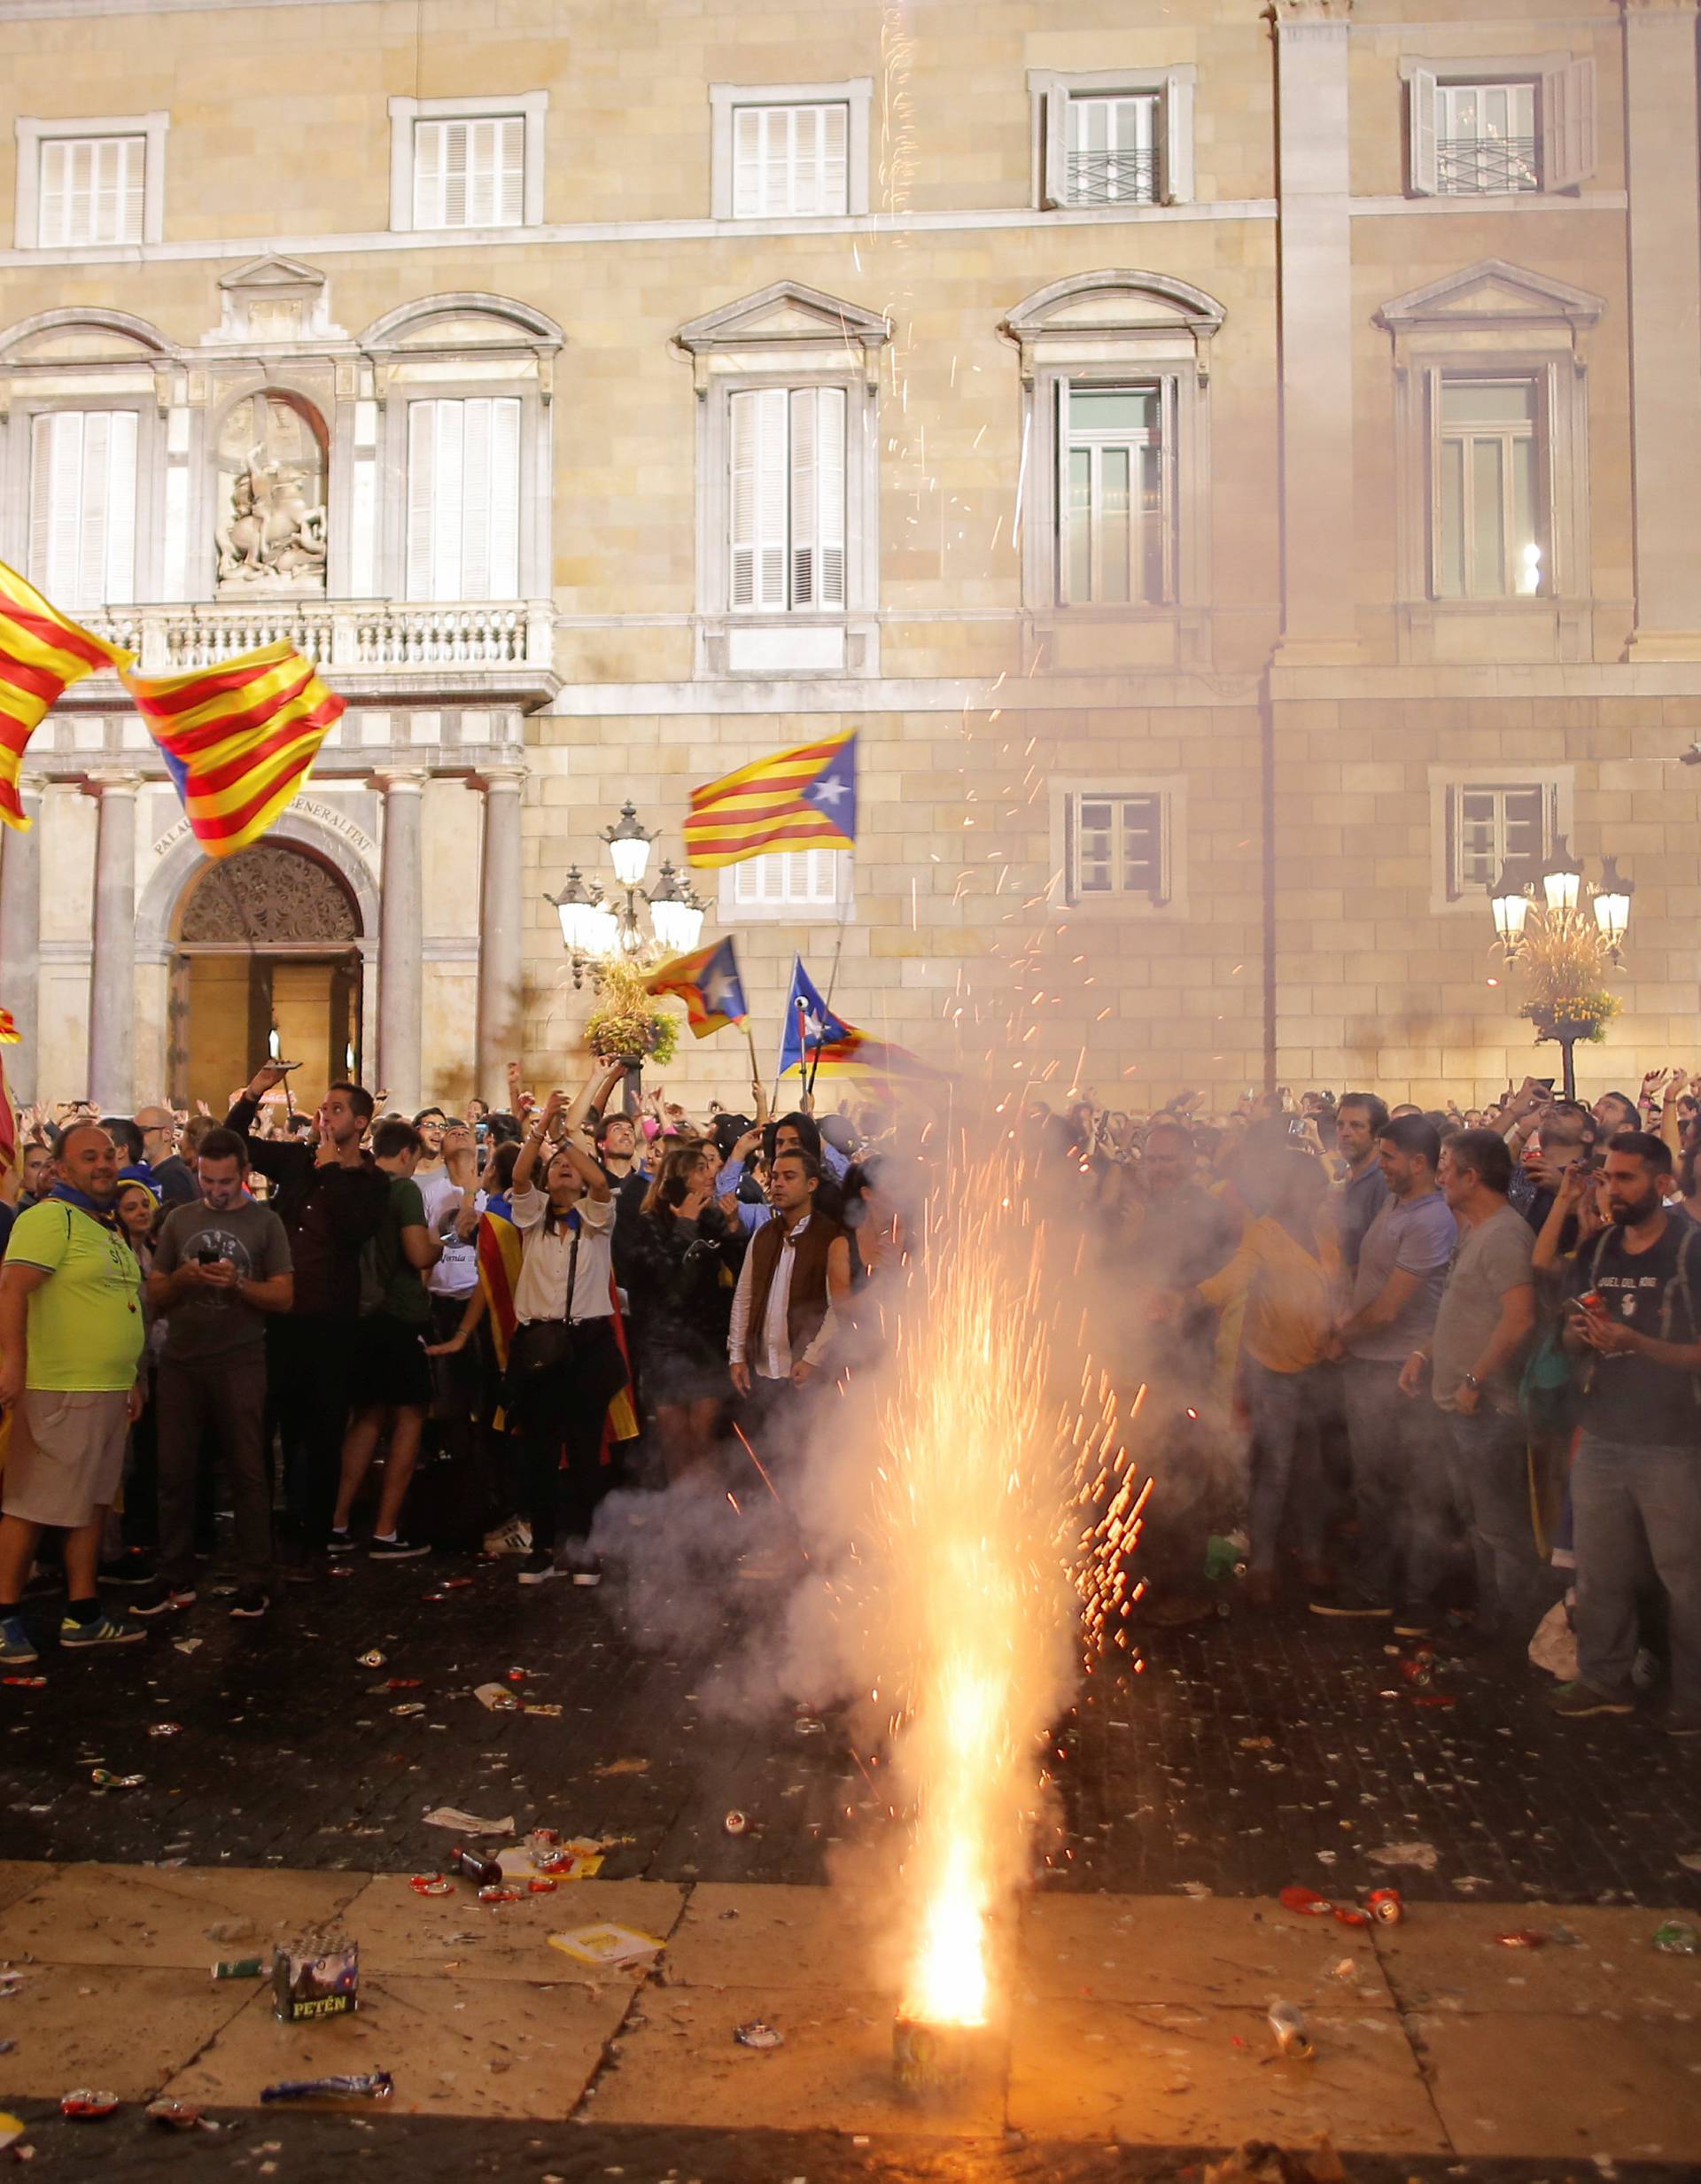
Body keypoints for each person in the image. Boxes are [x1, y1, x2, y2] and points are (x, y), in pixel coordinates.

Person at [1553, 1131, 1701, 1731]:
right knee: (1602, 1566)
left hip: (1674, 1440)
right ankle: (1602, 1677)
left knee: (1684, 1575)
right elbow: (1568, 1324)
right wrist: (1580, 1335)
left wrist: (1639, 1343)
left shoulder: (1691, 1252)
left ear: (1662, 1183)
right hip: (1605, 1432)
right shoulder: (1600, 1248)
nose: (1612, 1189)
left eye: (1626, 1178)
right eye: (1608, 1177)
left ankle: (1693, 1697)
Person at [225, 1062, 389, 1573]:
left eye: (337, 1109)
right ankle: (261, 1535)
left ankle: (314, 1537)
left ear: (361, 1123)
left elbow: (352, 1229)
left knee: (321, 1435)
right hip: (280, 1319)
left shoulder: (370, 1182)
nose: (325, 1115)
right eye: (323, 1108)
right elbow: (234, 1146)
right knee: (268, 1428)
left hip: (330, 1324)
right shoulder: (296, 1161)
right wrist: (254, 1093)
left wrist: (332, 1169)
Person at [0, 1122, 148, 1661]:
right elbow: (13, 1290)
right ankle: (4, 1615)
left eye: (108, 1155)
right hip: (57, 1387)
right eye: (89, 1157)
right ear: (61, 1170)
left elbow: (118, 1305)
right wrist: (14, 1364)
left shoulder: (104, 1225)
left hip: (107, 1390)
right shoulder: (48, 1218)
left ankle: (82, 1613)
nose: (104, 1164)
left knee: (91, 1503)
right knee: (30, 1505)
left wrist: (131, 1377)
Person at [137, 1128, 293, 1620]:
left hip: (240, 1361)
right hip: (183, 1362)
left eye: (226, 1181)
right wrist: (183, 1279)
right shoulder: (181, 1219)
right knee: (175, 1472)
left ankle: (255, 1576)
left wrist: (240, 1284)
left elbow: (285, 1297)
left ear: (244, 1175)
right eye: (208, 1179)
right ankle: (175, 1574)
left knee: (249, 1471)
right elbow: (155, 1293)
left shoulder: (266, 1223)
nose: (216, 1190)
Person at [1314, 1114, 1457, 1635]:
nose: (1383, 1164)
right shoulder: (1396, 1205)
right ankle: (1377, 1587)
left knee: (1419, 1489)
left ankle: (1418, 1598)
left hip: (1402, 1372)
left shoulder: (1431, 1220)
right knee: (1375, 1486)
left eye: (1390, 1156)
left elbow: (1390, 1309)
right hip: (1371, 1368)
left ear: (1419, 1163)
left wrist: (1341, 1338)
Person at [1401, 1129, 1544, 1644]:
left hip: (1487, 1409)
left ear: (1471, 1177)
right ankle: (1491, 1618)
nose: (1437, 1175)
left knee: (1499, 1528)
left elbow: (1519, 1318)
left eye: (1445, 1166)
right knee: (1477, 1522)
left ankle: (1512, 1630)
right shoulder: (1474, 1230)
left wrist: (1473, 1379)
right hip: (1462, 1406)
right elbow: (1462, 1312)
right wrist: (1425, 1353)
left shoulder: (1505, 1235)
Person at [1189, 1146, 1340, 1602]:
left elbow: (1338, 1286)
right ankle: (1263, 1564)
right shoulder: (1264, 1233)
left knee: (1313, 1467)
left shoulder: (1325, 1229)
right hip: (1271, 1367)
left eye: (1320, 1186)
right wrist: (1186, 1298)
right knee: (1274, 1466)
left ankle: (1310, 1553)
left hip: (1317, 1364)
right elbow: (1230, 1280)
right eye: (1308, 1186)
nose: (1317, 1194)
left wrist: (1339, 1330)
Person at [506, 1087, 626, 1586]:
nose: (563, 1170)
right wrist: (541, 1134)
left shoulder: (597, 1222)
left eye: (569, 1168)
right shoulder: (532, 1219)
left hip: (586, 1347)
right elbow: (518, 1176)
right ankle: (543, 1546)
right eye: (556, 1166)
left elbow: (600, 1179)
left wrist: (563, 1138)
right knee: (538, 1449)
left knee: (583, 1453)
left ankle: (585, 1547)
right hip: (539, 1346)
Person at [330, 1118, 441, 1558]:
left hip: (358, 1315)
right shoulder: (403, 1190)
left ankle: (336, 1522)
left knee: (366, 1418)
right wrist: (445, 1239)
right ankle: (386, 1529)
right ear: (408, 1153)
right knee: (410, 1417)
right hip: (398, 1316)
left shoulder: (354, 1184)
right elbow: (417, 1253)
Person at [622, 1142, 745, 1483]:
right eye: (702, 1169)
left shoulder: (712, 1220)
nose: (712, 1175)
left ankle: (704, 1517)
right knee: (675, 1439)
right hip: (666, 1347)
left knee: (703, 1436)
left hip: (705, 1343)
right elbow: (673, 1287)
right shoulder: (647, 1225)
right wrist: (686, 1227)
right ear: (679, 1180)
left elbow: (740, 1272)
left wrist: (734, 1228)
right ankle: (680, 1517)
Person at [727, 1147, 850, 1435]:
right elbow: (744, 1297)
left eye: (789, 1177)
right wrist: (737, 1355)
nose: (778, 1184)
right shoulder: (764, 1234)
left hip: (806, 1371)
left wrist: (812, 1357)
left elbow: (838, 1307)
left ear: (812, 1185)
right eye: (774, 1177)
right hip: (762, 1370)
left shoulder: (830, 1236)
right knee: (766, 1458)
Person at [1332, 1093, 1390, 1273]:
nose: (1345, 1133)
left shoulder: (1385, 1181)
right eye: (1340, 1125)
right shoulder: (1353, 1178)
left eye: (1356, 1126)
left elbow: (1382, 1257)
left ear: (1377, 1135)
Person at [136, 1106, 198, 1208]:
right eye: (134, 1132)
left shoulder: (175, 1176)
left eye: (143, 1131)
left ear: (167, 1134)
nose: (136, 1138)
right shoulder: (159, 1171)